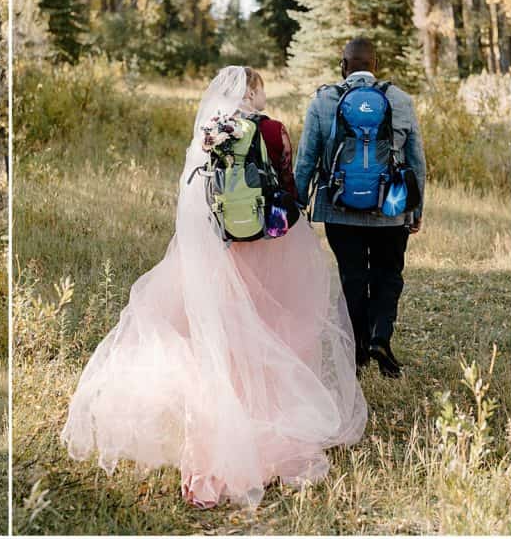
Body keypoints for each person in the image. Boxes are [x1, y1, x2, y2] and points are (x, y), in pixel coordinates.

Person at [61, 66, 366, 509]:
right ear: (253, 92)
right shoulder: (274, 129)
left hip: (223, 246)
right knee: (276, 325)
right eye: (260, 89)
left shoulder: (212, 133)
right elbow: (287, 184)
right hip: (270, 242)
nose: (262, 95)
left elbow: (199, 195)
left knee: (230, 337)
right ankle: (271, 421)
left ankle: (222, 433)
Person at [294, 37, 426, 378]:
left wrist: (298, 204)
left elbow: (306, 160)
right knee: (389, 274)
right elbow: (416, 162)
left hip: (339, 208)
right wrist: (415, 208)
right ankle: (380, 336)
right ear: (375, 66)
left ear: (344, 66)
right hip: (391, 208)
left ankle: (356, 351)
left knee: (353, 276)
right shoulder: (401, 100)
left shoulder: (324, 100)